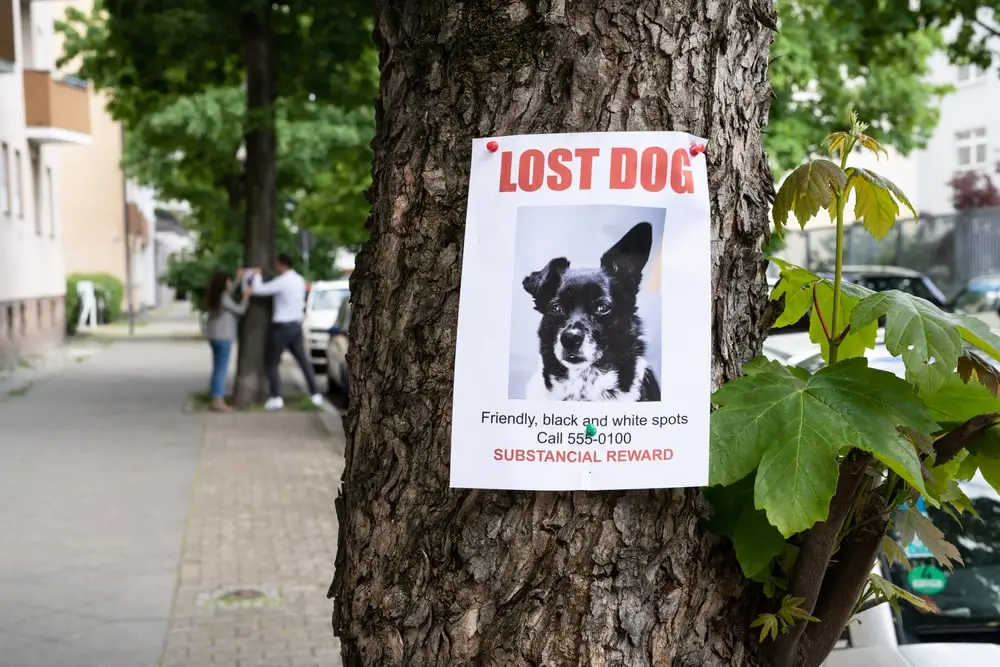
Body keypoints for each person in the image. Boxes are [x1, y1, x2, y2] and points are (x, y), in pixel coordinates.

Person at [249, 253, 324, 410]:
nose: (275, 267)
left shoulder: (282, 282)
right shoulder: (299, 280)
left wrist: (256, 276)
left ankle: (276, 397)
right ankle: (315, 393)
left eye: (276, 264)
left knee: (272, 362)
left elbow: (258, 290)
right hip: (296, 326)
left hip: (281, 327)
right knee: (303, 361)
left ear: (282, 264)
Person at [204, 270, 251, 412]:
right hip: (224, 336)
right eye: (228, 281)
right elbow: (240, 310)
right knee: (221, 369)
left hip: (214, 336)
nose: (230, 284)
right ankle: (218, 400)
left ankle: (215, 397)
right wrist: (246, 297)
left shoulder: (217, 296)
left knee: (217, 367)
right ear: (224, 284)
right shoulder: (224, 298)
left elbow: (230, 293)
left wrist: (238, 279)